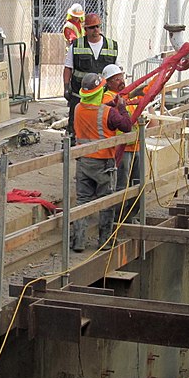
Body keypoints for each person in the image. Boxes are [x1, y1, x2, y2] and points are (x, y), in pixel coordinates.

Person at [71, 72, 133, 252]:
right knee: (106, 202)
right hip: (104, 163)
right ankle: (105, 241)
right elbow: (126, 126)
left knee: (82, 201)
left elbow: (93, 111)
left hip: (84, 162)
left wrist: (110, 106)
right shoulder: (109, 113)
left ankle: (79, 242)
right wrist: (121, 108)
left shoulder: (77, 109)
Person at [63, 13, 119, 144]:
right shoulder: (76, 45)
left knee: (102, 122)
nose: (95, 30)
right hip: (80, 95)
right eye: (92, 27)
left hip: (103, 96)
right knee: (75, 123)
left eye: (97, 26)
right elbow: (68, 68)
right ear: (85, 29)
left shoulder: (111, 46)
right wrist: (66, 87)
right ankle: (72, 146)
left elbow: (117, 71)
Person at [101, 64, 145, 224]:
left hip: (136, 146)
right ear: (109, 82)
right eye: (116, 79)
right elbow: (115, 104)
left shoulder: (125, 96)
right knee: (121, 186)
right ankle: (118, 220)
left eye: (121, 77)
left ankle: (129, 217)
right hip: (121, 149)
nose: (121, 81)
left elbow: (127, 102)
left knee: (138, 184)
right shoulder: (107, 97)